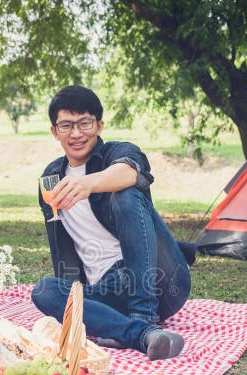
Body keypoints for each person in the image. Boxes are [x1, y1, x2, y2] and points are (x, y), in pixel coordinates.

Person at [30, 85, 193, 360]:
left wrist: (87, 184)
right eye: (67, 125)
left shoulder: (118, 152)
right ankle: (143, 335)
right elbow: (61, 247)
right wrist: (69, 298)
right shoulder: (51, 178)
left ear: (99, 125)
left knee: (126, 194)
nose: (77, 133)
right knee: (45, 291)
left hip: (159, 279)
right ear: (54, 131)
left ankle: (145, 314)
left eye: (85, 123)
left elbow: (130, 172)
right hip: (108, 291)